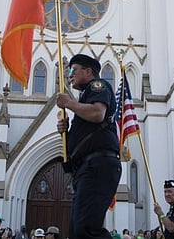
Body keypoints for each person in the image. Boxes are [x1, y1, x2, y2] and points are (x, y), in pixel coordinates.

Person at [55, 53, 120, 239]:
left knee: (87, 228)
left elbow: (97, 114)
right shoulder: (84, 99)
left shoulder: (97, 86)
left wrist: (69, 103)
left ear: (88, 71)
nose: (70, 75)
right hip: (87, 168)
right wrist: (66, 132)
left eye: (74, 70)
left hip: (98, 166)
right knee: (77, 231)